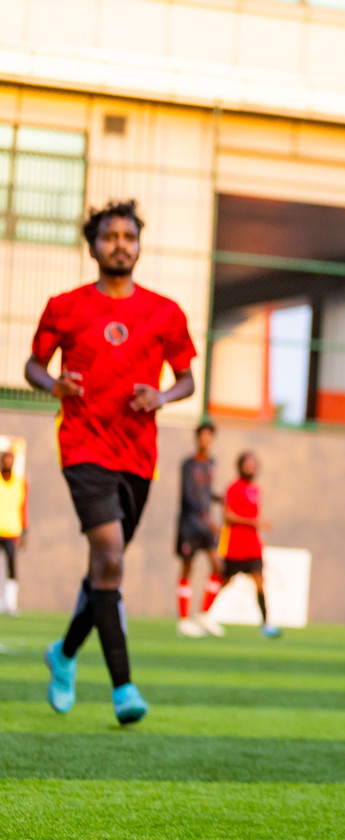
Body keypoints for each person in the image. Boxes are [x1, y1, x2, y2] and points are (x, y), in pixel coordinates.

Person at [26, 199, 197, 725]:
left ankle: (65, 653)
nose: (119, 244)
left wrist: (163, 397)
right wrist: (54, 383)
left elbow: (187, 377)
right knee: (111, 558)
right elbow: (33, 365)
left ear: (139, 244)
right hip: (82, 447)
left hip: (139, 456)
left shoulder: (165, 312)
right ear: (94, 245)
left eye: (128, 236)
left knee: (105, 566)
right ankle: (123, 687)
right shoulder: (65, 306)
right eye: (109, 236)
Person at [213, 452, 280, 638]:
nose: (251, 467)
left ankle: (266, 623)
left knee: (259, 581)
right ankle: (204, 614)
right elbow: (228, 516)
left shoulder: (256, 489)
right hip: (235, 546)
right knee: (223, 580)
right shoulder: (233, 488)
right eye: (247, 464)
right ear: (240, 466)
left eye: (253, 464)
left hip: (253, 546)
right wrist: (254, 522)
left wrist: (256, 528)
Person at [176, 422, 225, 638]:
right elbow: (189, 496)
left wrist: (220, 499)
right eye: (201, 436)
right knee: (188, 568)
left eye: (208, 436)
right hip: (190, 524)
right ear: (197, 438)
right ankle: (184, 620)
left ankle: (204, 614)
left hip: (206, 525)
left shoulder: (211, 463)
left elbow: (204, 493)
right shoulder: (188, 464)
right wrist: (207, 518)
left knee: (218, 566)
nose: (205, 440)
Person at [0, 448, 26, 616]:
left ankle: (10, 603)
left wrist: (24, 530)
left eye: (11, 460)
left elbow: (23, 508)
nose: (8, 463)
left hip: (11, 530)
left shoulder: (20, 482)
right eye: (5, 460)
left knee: (11, 566)